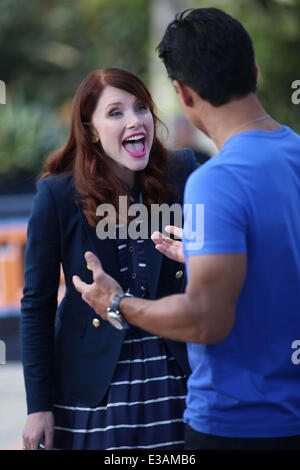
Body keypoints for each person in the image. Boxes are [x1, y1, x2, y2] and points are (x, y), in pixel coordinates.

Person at [73, 8, 300, 450]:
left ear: (183, 93)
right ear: (254, 69)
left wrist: (118, 302)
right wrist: (204, 253)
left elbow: (206, 319)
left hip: (239, 425)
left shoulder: (215, 180)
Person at [21, 67, 199, 450]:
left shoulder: (182, 173)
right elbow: (35, 305)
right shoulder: (57, 195)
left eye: (140, 108)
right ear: (90, 130)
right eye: (115, 112)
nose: (134, 120)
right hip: (92, 390)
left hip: (178, 379)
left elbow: (220, 266)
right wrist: (38, 407)